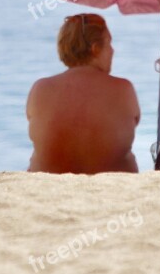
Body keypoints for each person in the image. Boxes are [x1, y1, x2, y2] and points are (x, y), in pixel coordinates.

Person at [26, 13, 140, 174]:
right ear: (95, 49)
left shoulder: (40, 89)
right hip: (113, 189)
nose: (113, 50)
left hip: (47, 187)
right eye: (109, 43)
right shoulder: (123, 89)